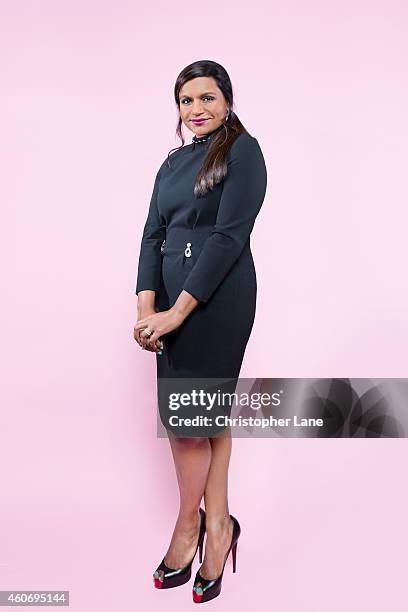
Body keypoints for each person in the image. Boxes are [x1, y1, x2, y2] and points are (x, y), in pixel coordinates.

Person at [133, 59, 267, 603]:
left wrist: (177, 312)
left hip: (215, 304)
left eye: (207, 98)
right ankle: (220, 528)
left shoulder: (244, 152)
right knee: (206, 417)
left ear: (228, 100)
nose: (197, 111)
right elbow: (151, 235)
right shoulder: (173, 163)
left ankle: (188, 525)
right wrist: (146, 308)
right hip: (166, 305)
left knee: (190, 423)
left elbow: (227, 240)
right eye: (187, 102)